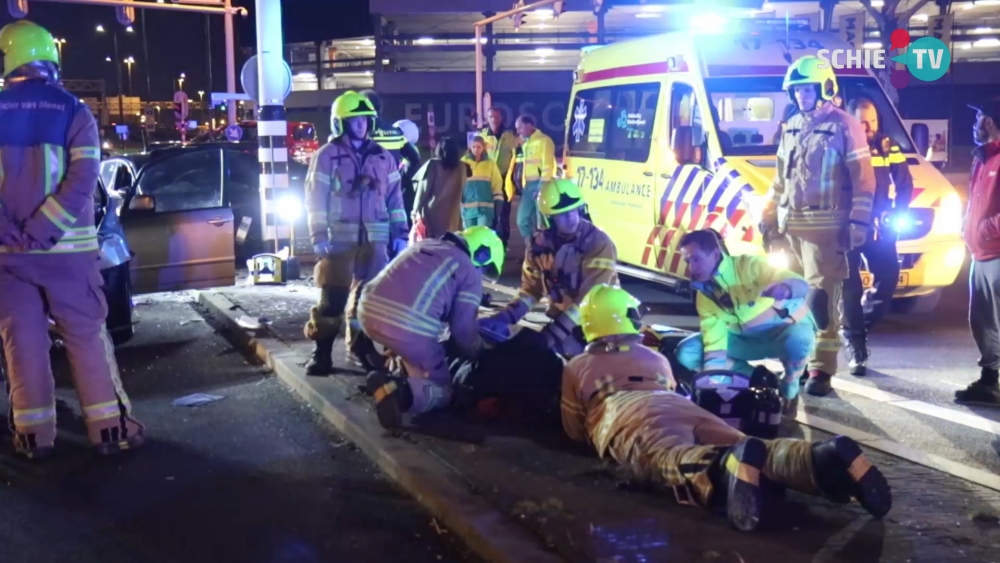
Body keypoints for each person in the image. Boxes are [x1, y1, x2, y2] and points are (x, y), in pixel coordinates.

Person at [561, 283, 892, 531]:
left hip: (626, 413)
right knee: (751, 445)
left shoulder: (579, 365)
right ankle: (821, 457)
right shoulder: (656, 357)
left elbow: (574, 429)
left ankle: (724, 468)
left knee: (666, 458)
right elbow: (674, 391)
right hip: (680, 404)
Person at [0, 20, 145, 459]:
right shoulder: (74, 111)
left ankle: (34, 436)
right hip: (65, 252)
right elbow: (84, 178)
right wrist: (45, 227)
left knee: (21, 340)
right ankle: (109, 429)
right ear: (51, 59)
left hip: (8, 255)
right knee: (84, 335)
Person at [760, 55, 876, 396]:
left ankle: (821, 370)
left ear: (825, 88)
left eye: (807, 89)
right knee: (791, 300)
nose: (801, 96)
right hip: (790, 228)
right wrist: (768, 216)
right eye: (796, 91)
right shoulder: (792, 126)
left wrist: (857, 221)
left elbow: (863, 180)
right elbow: (780, 179)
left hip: (825, 231)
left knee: (820, 301)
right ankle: (796, 361)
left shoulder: (844, 125)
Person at [303, 90, 408, 376]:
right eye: (354, 120)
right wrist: (317, 236)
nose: (361, 125)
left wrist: (400, 232)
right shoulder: (327, 156)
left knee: (367, 301)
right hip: (339, 242)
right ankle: (321, 353)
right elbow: (315, 199)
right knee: (332, 301)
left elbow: (395, 199)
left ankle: (360, 348)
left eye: (364, 119)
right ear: (341, 123)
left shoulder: (383, 157)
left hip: (375, 244)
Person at [360, 226, 506, 429]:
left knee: (418, 362)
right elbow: (463, 333)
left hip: (367, 312)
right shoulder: (467, 269)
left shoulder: (425, 244)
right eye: (484, 268)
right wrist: (479, 352)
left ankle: (387, 374)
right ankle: (399, 393)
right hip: (407, 327)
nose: (480, 274)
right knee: (442, 386)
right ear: (481, 255)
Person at [673, 229, 817, 408]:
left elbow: (796, 281)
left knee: (799, 340)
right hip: (746, 342)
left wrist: (786, 288)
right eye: (688, 261)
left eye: (696, 259)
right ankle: (760, 379)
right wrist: (713, 385)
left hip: (782, 335)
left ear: (715, 254)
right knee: (687, 352)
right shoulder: (704, 294)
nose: (692, 268)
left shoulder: (748, 266)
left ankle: (789, 385)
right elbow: (714, 342)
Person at [479, 179, 617, 358]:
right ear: (549, 218)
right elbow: (530, 292)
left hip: (601, 327)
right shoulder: (539, 246)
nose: (571, 218)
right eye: (562, 214)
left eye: (574, 210)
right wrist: (504, 318)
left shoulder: (598, 242)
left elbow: (590, 298)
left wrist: (552, 335)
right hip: (565, 325)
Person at [840, 98, 914, 376]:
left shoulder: (886, 146)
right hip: (847, 227)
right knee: (850, 287)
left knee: (888, 280)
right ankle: (856, 345)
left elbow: (905, 182)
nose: (868, 127)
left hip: (878, 227)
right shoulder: (841, 145)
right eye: (862, 121)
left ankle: (855, 325)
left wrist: (897, 212)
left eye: (872, 121)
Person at [956, 97, 1000, 408]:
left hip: (996, 251)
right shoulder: (982, 157)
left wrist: (985, 230)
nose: (975, 123)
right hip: (980, 251)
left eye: (979, 117)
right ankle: (989, 382)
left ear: (989, 122)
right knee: (983, 321)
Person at [361, 89, 422, 219]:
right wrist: (401, 177)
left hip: (366, 200)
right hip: (392, 197)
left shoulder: (359, 134)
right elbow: (414, 159)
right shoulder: (396, 133)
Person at [412, 137, 468, 239]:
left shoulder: (433, 164)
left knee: (432, 247)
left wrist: (415, 211)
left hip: (433, 215)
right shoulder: (462, 167)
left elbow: (423, 190)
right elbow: (464, 190)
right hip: (453, 215)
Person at [513, 114, 556, 240]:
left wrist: (542, 185)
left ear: (529, 125)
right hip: (527, 186)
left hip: (541, 185)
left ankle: (544, 251)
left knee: (542, 223)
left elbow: (548, 165)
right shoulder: (526, 144)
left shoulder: (544, 141)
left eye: (520, 127)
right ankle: (531, 247)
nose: (518, 131)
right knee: (522, 220)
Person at [480, 108, 519, 243]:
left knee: (503, 213)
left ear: (500, 118)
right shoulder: (483, 136)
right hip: (487, 180)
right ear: (487, 118)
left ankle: (502, 244)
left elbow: (517, 156)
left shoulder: (509, 136)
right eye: (491, 116)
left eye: (496, 117)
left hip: (503, 179)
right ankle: (490, 242)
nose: (494, 120)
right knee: (489, 212)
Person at [460, 135, 504, 229]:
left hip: (485, 209)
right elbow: (458, 183)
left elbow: (497, 183)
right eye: (474, 147)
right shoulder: (463, 163)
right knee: (469, 239)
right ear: (470, 147)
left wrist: (498, 202)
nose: (476, 149)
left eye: (479, 147)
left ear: (484, 147)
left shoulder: (490, 164)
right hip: (468, 210)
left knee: (482, 237)